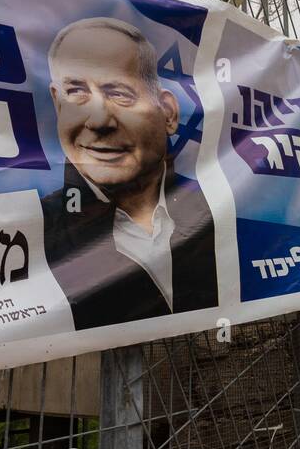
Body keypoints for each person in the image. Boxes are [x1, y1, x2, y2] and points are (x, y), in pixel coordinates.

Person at [40, 17, 217, 331]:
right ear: (57, 104)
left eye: (119, 93)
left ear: (168, 112)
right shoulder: (33, 234)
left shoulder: (219, 208)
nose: (97, 120)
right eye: (76, 92)